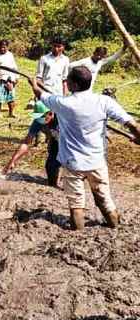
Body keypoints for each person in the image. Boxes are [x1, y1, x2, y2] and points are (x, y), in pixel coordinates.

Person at [27, 66, 140, 230]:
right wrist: (138, 138)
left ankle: (78, 233)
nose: (66, 82)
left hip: (73, 164)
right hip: (97, 161)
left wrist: (34, 84)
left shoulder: (64, 103)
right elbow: (132, 124)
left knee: (76, 204)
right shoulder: (104, 101)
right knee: (105, 200)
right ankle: (114, 226)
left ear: (74, 84)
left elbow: (41, 95)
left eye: (68, 80)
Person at [3, 101, 61, 187]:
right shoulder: (38, 121)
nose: (39, 120)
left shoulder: (63, 119)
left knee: (70, 167)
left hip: (72, 143)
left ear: (50, 113)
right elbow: (26, 143)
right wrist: (13, 161)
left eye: (42, 117)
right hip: (56, 141)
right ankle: (54, 182)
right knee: (50, 167)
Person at [0, 39, 18, 118]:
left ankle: (11, 113)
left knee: (11, 97)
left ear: (7, 47)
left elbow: (14, 67)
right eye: (1, 47)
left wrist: (16, 77)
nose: (2, 49)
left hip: (10, 79)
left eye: (4, 47)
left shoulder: (10, 55)